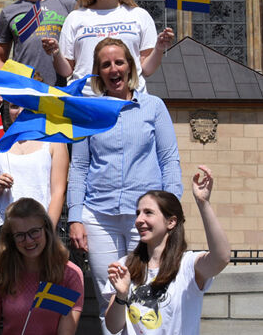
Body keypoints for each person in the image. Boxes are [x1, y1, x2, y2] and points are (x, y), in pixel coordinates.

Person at [66, 38, 182, 332]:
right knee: (110, 292)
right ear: (98, 71)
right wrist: (75, 217)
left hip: (142, 218)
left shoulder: (153, 106)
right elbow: (78, 166)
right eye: (106, 64)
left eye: (119, 62)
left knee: (144, 290)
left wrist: (172, 212)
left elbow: (169, 160)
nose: (113, 69)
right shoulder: (87, 110)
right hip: (98, 216)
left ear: (130, 66)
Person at [104, 167, 229, 335]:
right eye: (138, 213)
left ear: (171, 222)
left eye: (148, 213)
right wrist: (121, 295)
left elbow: (221, 258)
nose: (139, 220)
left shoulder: (188, 265)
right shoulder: (125, 265)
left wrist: (203, 203)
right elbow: (113, 327)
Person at [44, 0, 174, 94]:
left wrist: (159, 48)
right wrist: (56, 53)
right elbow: (66, 70)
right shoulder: (75, 17)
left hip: (129, 102)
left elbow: (147, 69)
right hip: (87, 101)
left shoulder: (139, 15)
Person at [0, 103, 68, 265]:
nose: (20, 112)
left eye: (28, 106)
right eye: (14, 106)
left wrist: (47, 232)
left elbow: (58, 192)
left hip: (38, 232)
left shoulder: (55, 140)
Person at [0, 199, 84, 335]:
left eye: (34, 231)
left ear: (46, 229)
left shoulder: (70, 274)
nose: (29, 240)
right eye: (20, 235)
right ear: (10, 238)